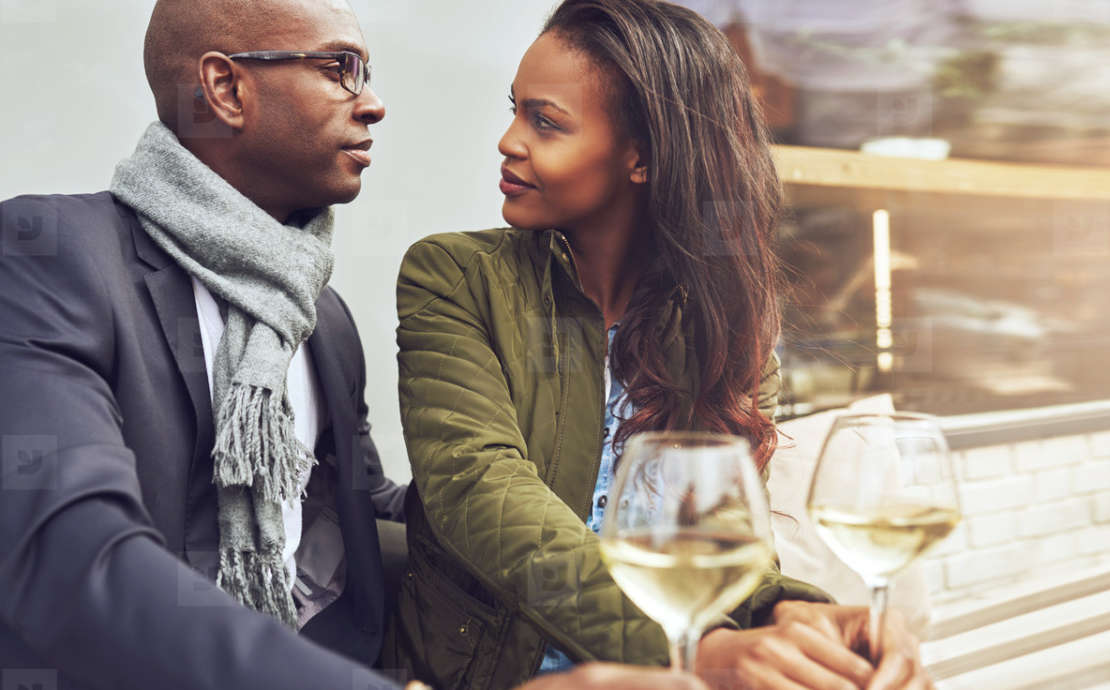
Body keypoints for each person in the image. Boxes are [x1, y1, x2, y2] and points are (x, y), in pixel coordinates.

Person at [387, 1, 933, 689]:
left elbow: (720, 534)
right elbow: (482, 493)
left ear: (641, 156)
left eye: (545, 122)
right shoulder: (454, 276)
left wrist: (790, 611)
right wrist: (695, 651)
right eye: (515, 111)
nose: (508, 140)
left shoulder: (723, 325)